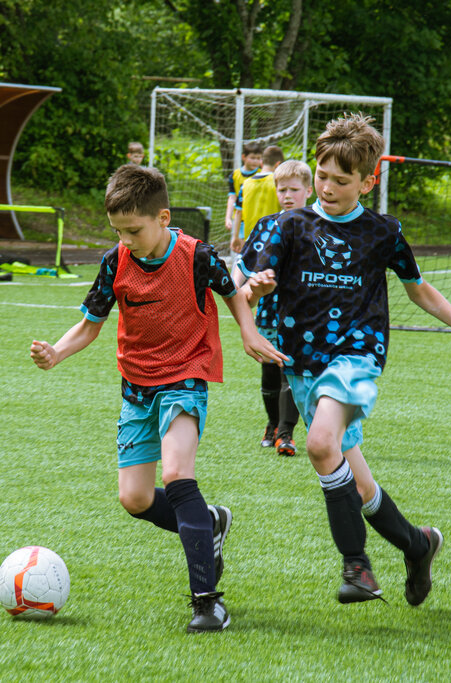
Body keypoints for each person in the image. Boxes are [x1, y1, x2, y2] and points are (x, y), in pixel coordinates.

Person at [239, 113, 451, 606]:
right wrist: (253, 289)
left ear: (369, 182)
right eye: (322, 176)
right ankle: (418, 545)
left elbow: (420, 290)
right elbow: (243, 285)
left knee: (321, 444)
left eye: (340, 181)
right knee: (359, 485)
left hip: (356, 355)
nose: (326, 187)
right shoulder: (287, 226)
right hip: (302, 364)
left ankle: (357, 567)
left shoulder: (381, 232)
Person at [30, 164, 286, 633]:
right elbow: (90, 324)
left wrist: (249, 332)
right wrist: (57, 352)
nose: (125, 240)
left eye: (133, 230)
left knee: (178, 474)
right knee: (135, 498)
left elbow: (232, 291)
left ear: (163, 217)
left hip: (186, 376)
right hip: (136, 387)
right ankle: (210, 524)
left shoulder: (196, 255)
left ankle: (208, 603)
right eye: (118, 232)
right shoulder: (116, 262)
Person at [234, 159, 312, 456]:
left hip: (304, 313)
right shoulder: (267, 226)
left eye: (294, 189)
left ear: (309, 190)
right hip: (268, 311)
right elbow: (243, 266)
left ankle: (286, 433)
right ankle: (272, 422)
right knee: (270, 372)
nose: (288, 195)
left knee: (292, 370)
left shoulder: (317, 227)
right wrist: (233, 292)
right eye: (282, 190)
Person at [230, 145, 285, 255]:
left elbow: (238, 212)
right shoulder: (279, 183)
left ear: (261, 163)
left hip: (250, 239)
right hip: (273, 238)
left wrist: (235, 237)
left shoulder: (246, 184)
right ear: (278, 164)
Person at [224, 141, 263, 241]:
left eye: (258, 158)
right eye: (252, 158)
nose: (255, 161)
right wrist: (228, 217)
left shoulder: (262, 175)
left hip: (256, 217)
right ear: (244, 157)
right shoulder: (234, 175)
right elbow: (232, 197)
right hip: (239, 218)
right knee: (241, 249)